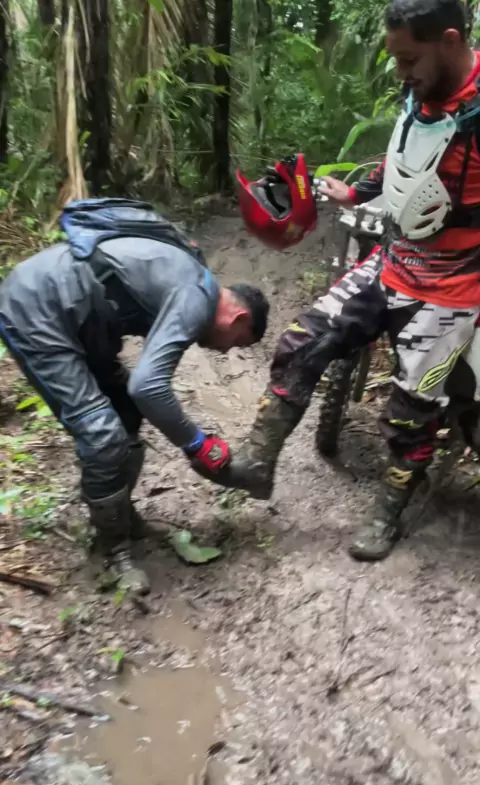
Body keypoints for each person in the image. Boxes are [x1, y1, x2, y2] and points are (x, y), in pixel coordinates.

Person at [206, 0, 480, 562]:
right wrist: (356, 191)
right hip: (394, 258)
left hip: (453, 286)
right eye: (397, 60)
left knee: (411, 409)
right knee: (302, 340)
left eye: (409, 59)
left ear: (451, 41)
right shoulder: (423, 89)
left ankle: (388, 510)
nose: (401, 72)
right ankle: (258, 462)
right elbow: (405, 153)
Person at [0, 198, 269, 595]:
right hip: (38, 311)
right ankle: (112, 549)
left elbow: (139, 392)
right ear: (239, 318)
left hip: (78, 318)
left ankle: (122, 517)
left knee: (125, 411)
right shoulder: (197, 296)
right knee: (102, 433)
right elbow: (149, 385)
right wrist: (196, 443)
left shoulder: (192, 283)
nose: (225, 350)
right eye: (237, 342)